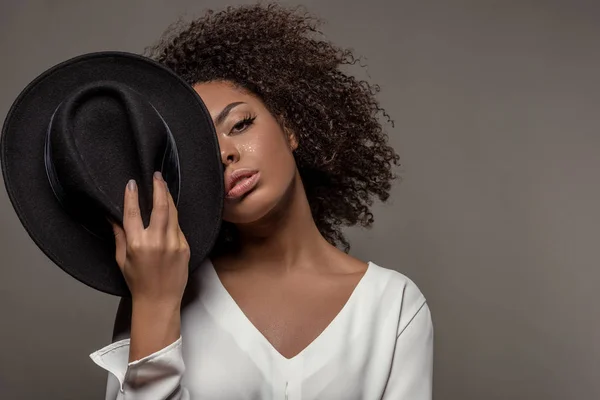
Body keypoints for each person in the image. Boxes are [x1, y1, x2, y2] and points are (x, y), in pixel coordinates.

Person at [90, 3, 434, 399]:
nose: (224, 154)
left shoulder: (393, 305)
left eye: (240, 125)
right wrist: (154, 302)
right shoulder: (160, 288)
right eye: (201, 152)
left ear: (288, 127)